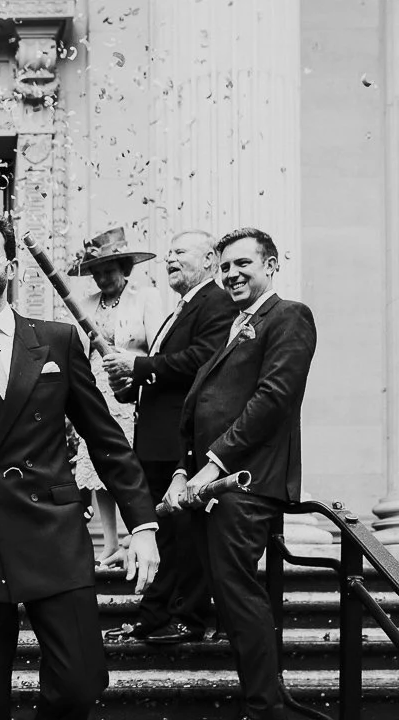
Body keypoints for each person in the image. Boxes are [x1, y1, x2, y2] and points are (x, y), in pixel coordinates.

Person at [0, 208, 159, 720]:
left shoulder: (57, 340)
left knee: (80, 682)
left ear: (11, 266)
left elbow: (105, 439)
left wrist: (144, 525)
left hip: (53, 535)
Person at [164, 228, 316, 720]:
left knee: (237, 593)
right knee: (225, 595)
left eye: (242, 264)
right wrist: (182, 471)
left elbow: (273, 399)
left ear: (270, 265)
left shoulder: (289, 316)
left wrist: (214, 464)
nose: (231, 274)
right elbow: (200, 405)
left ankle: (265, 707)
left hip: (246, 484)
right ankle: (264, 699)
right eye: (225, 266)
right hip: (207, 485)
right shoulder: (234, 325)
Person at [101, 231, 238, 644]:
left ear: (210, 259)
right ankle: (153, 617)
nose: (170, 259)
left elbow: (202, 359)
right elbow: (167, 369)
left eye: (179, 252)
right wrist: (131, 386)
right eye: (168, 254)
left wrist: (139, 366)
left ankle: (187, 618)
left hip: (181, 441)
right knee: (160, 531)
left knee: (185, 534)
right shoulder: (182, 307)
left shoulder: (216, 301)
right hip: (155, 438)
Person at [67, 227, 163, 566]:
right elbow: (77, 353)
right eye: (96, 272)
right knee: (99, 464)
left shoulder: (145, 298)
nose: (102, 278)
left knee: (131, 462)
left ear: (124, 267)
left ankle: (135, 536)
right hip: (95, 392)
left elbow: (157, 348)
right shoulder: (85, 305)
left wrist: (132, 368)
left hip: (133, 393)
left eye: (108, 270)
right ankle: (109, 543)